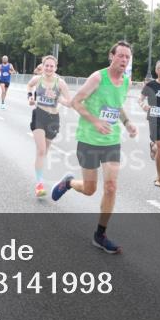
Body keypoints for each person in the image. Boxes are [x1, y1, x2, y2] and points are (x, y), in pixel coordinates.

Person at [52, 41, 137, 254]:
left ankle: (100, 235)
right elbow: (76, 102)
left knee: (110, 186)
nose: (124, 60)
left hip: (111, 141)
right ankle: (69, 183)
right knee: (90, 190)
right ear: (111, 56)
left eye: (127, 57)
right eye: (121, 56)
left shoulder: (126, 81)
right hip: (89, 140)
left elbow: (117, 107)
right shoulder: (98, 77)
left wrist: (127, 124)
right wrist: (95, 121)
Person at [26, 55, 72, 197]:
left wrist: (56, 97)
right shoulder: (38, 79)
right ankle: (39, 184)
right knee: (40, 150)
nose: (49, 68)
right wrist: (30, 97)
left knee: (44, 152)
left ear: (55, 68)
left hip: (53, 119)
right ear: (43, 66)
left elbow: (70, 103)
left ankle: (38, 171)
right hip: (39, 114)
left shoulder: (60, 83)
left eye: (52, 66)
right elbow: (29, 85)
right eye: (47, 65)